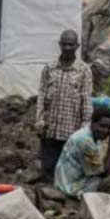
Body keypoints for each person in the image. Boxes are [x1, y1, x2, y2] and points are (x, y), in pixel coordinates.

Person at [36, 30, 93, 180]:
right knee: (48, 166)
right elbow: (41, 95)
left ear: (77, 46)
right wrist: (39, 121)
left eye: (71, 44)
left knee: (67, 167)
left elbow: (86, 100)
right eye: (65, 44)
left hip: (71, 129)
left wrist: (85, 127)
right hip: (50, 128)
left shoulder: (83, 70)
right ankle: (45, 196)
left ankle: (63, 197)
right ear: (60, 44)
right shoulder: (50, 68)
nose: (67, 47)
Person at [54, 106, 110, 198]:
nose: (105, 131)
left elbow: (100, 163)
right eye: (102, 126)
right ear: (93, 123)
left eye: (109, 128)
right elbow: (102, 172)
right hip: (72, 185)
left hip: (84, 176)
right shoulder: (84, 141)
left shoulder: (95, 137)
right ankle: (108, 209)